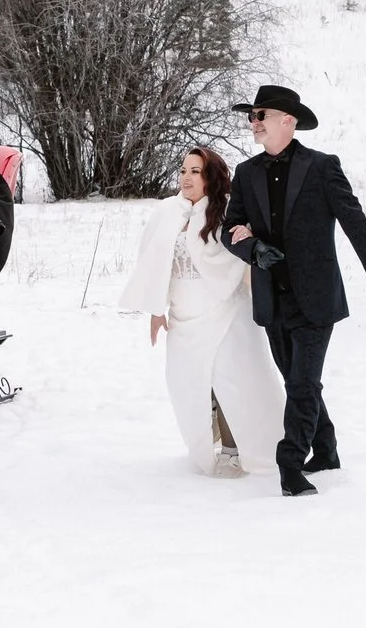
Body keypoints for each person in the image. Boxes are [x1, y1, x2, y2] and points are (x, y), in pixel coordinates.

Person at [220, 83, 366, 497]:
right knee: (298, 381)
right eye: (251, 117)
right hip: (271, 298)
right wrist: (253, 248)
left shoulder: (322, 167)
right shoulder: (246, 174)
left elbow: (355, 223)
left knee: (302, 383)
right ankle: (326, 447)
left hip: (316, 297)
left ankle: (290, 464)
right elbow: (229, 230)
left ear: (288, 120)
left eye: (260, 115)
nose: (254, 124)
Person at [116, 147, 286, 478]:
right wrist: (156, 309)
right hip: (184, 314)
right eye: (183, 170)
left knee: (231, 381)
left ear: (211, 177)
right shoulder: (167, 212)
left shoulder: (227, 212)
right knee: (189, 383)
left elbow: (241, 259)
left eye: (195, 171)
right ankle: (207, 433)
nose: (186, 177)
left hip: (226, 309)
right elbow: (156, 262)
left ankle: (234, 451)